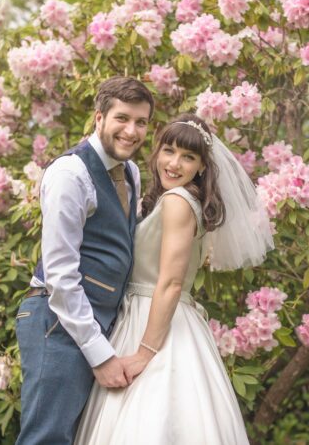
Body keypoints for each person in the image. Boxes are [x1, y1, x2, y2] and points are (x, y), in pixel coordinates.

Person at [75, 113, 274, 444]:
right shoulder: (169, 200)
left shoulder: (179, 202)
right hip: (142, 315)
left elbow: (170, 283)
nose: (175, 163)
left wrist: (144, 353)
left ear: (202, 167)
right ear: (157, 153)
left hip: (155, 324)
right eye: (169, 151)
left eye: (188, 157)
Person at [15, 76, 154, 445]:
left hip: (98, 324)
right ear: (99, 118)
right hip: (56, 322)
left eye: (141, 122)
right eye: (122, 118)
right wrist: (101, 356)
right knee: (46, 438)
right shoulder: (69, 174)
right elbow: (60, 275)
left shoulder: (132, 173)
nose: (132, 130)